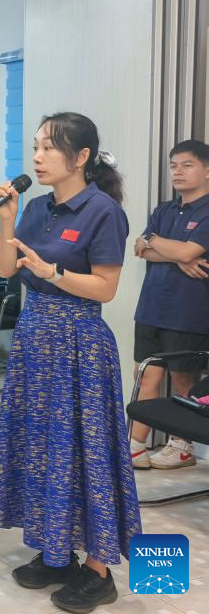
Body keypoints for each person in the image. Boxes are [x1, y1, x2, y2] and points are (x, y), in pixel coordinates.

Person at [0, 113, 140, 613]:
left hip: (79, 343)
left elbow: (106, 288)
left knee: (86, 451)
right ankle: (56, 552)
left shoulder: (102, 210)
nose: (37, 157)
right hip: (34, 340)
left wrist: (53, 272)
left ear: (81, 156)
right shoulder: (35, 207)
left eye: (49, 147)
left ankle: (99, 570)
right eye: (36, 146)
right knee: (42, 447)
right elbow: (6, 268)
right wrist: (6, 220)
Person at [130, 139, 209, 469]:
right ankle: (135, 446)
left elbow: (191, 252)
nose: (177, 171)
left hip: (188, 311)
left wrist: (158, 244)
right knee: (145, 376)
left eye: (187, 165)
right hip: (151, 306)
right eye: (173, 165)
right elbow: (140, 248)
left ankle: (182, 446)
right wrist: (175, 256)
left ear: (207, 170)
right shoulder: (163, 209)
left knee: (182, 380)